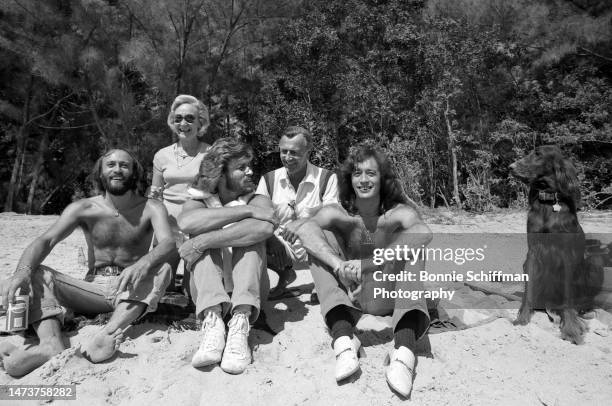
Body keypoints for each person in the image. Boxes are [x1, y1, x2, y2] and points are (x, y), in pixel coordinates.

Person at [0, 149, 176, 377]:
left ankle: (105, 336)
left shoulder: (152, 207)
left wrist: (143, 262)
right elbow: (46, 240)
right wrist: (22, 272)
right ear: (101, 172)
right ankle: (50, 345)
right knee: (35, 272)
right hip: (93, 288)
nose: (117, 169)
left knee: (162, 267)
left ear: (134, 172)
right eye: (111, 164)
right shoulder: (83, 208)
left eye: (124, 165)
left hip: (133, 287)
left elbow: (168, 243)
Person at [295, 145, 432, 397]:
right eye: (357, 173)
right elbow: (304, 230)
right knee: (318, 240)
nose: (364, 180)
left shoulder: (398, 213)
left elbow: (424, 233)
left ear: (382, 179)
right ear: (349, 179)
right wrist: (339, 266)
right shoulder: (339, 213)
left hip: (390, 296)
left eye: (371, 173)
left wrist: (369, 264)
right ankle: (344, 340)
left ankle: (404, 349)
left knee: (413, 245)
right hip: (352, 298)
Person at [177, 138, 277, 374]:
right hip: (205, 291)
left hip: (252, 291)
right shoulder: (198, 201)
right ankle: (213, 324)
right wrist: (246, 212)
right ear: (221, 175)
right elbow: (186, 221)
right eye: (242, 167)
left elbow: (264, 228)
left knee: (246, 240)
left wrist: (202, 242)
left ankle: (240, 323)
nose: (250, 171)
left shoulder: (257, 198)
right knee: (202, 233)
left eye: (249, 165)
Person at [255, 126, 338, 298]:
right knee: (253, 239)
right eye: (283, 151)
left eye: (294, 152)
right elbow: (258, 217)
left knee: (335, 230)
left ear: (308, 151)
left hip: (317, 245)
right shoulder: (268, 180)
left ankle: (323, 281)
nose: (287, 157)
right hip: (281, 247)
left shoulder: (327, 178)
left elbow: (332, 215)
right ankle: (282, 277)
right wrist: (271, 239)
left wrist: (302, 224)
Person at [150, 95, 211, 289]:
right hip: (167, 226)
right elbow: (155, 194)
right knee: (162, 285)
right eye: (178, 119)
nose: (183, 123)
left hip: (196, 223)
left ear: (200, 122)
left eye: (189, 118)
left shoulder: (210, 154)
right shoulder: (161, 155)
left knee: (190, 289)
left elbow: (213, 193)